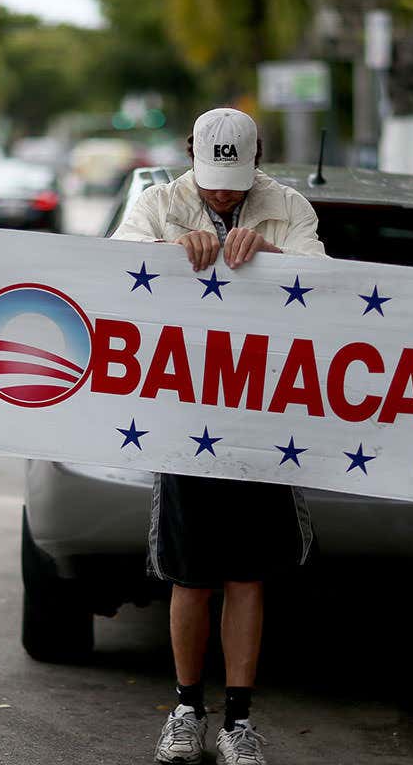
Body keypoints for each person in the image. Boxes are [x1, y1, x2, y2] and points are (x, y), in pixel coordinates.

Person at [111, 108, 326, 765]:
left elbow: (323, 275)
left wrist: (270, 256)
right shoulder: (160, 203)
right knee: (191, 574)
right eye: (213, 180)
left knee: (248, 575)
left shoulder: (287, 206)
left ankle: (239, 720)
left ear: (258, 156)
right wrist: (171, 254)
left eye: (235, 179)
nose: (224, 195)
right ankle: (185, 709)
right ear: (190, 157)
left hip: (262, 419)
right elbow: (113, 266)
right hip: (185, 418)